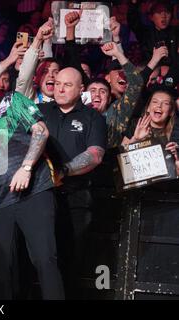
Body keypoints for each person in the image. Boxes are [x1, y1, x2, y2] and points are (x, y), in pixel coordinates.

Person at [0, 70, 64, 300]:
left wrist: (26, 167)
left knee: (44, 260)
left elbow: (41, 131)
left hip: (33, 191)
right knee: (0, 270)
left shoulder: (12, 101)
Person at [40, 67, 107, 299]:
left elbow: (96, 154)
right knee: (39, 260)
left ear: (81, 89)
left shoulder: (93, 117)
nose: (60, 88)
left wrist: (63, 171)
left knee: (71, 262)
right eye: (57, 83)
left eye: (67, 85)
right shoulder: (39, 111)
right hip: (39, 200)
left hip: (76, 200)